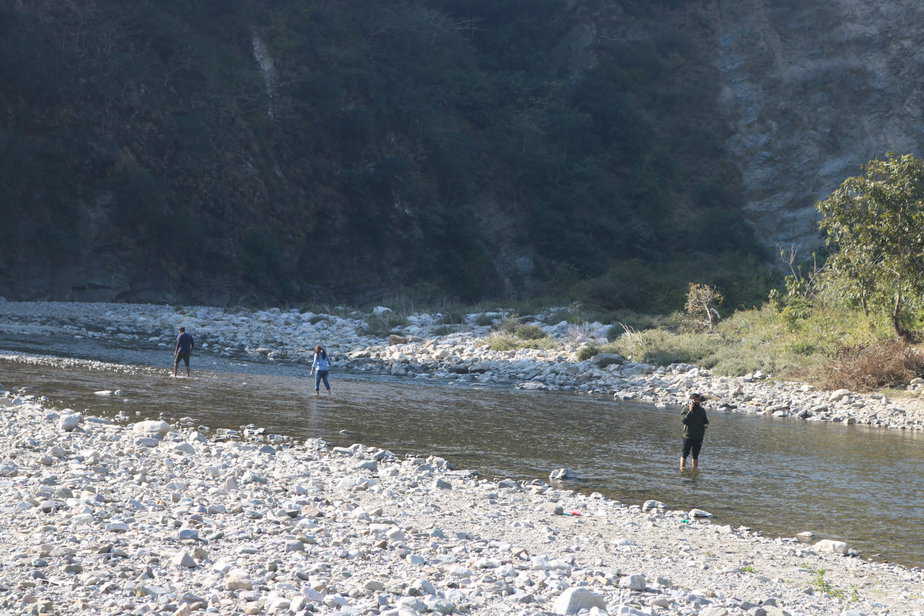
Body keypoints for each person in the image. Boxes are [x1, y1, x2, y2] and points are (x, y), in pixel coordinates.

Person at [680, 392, 709, 471]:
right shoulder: (685, 408)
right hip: (687, 436)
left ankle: (694, 471)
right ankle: (682, 470)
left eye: (697, 400)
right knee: (684, 454)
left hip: (698, 437)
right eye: (694, 400)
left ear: (699, 400)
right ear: (691, 400)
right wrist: (690, 411)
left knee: (695, 456)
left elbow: (706, 422)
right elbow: (684, 421)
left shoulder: (702, 410)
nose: (696, 401)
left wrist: (704, 427)